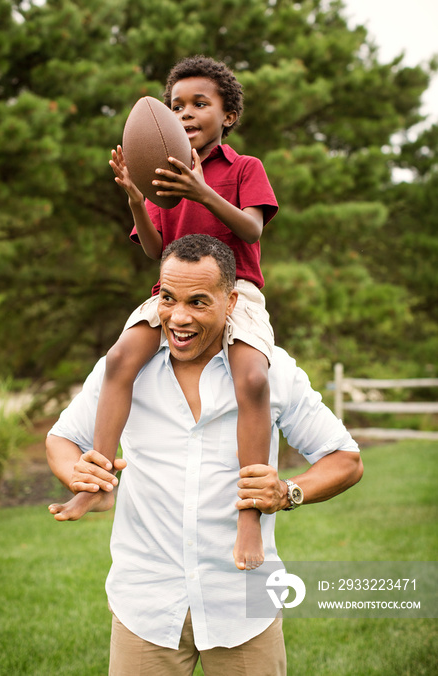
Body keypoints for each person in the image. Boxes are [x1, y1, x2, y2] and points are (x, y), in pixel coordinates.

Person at [47, 234, 363, 676]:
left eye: (198, 302)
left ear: (231, 300)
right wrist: (78, 474)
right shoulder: (125, 369)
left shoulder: (273, 370)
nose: (178, 317)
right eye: (169, 299)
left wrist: (288, 492)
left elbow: (345, 459)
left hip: (245, 604)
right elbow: (61, 439)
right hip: (146, 605)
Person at [51, 55, 279, 572]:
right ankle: (102, 480)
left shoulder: (245, 169)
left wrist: (201, 190)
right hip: (171, 291)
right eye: (176, 106)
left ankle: (249, 513)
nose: (186, 114)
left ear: (230, 115)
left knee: (253, 380)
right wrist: (136, 198)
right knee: (118, 359)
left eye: (201, 103)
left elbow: (251, 231)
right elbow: (155, 248)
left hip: (236, 288)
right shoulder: (161, 178)